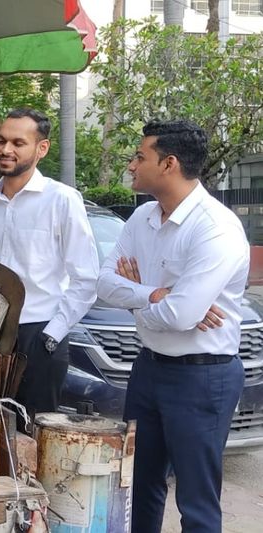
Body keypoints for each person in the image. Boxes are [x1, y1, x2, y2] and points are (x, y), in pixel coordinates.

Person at [97, 120, 247, 533]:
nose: (131, 164)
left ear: (169, 164)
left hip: (203, 377)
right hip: (149, 370)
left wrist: (138, 295)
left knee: (196, 501)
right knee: (138, 486)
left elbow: (180, 316)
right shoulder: (144, 216)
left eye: (139, 157)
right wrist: (154, 295)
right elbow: (105, 282)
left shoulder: (215, 228)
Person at [0, 108, 99, 428]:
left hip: (40, 334)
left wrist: (54, 333)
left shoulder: (62, 200)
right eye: (1, 141)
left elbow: (86, 277)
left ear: (42, 148)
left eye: (18, 143)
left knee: (34, 431)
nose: (5, 150)